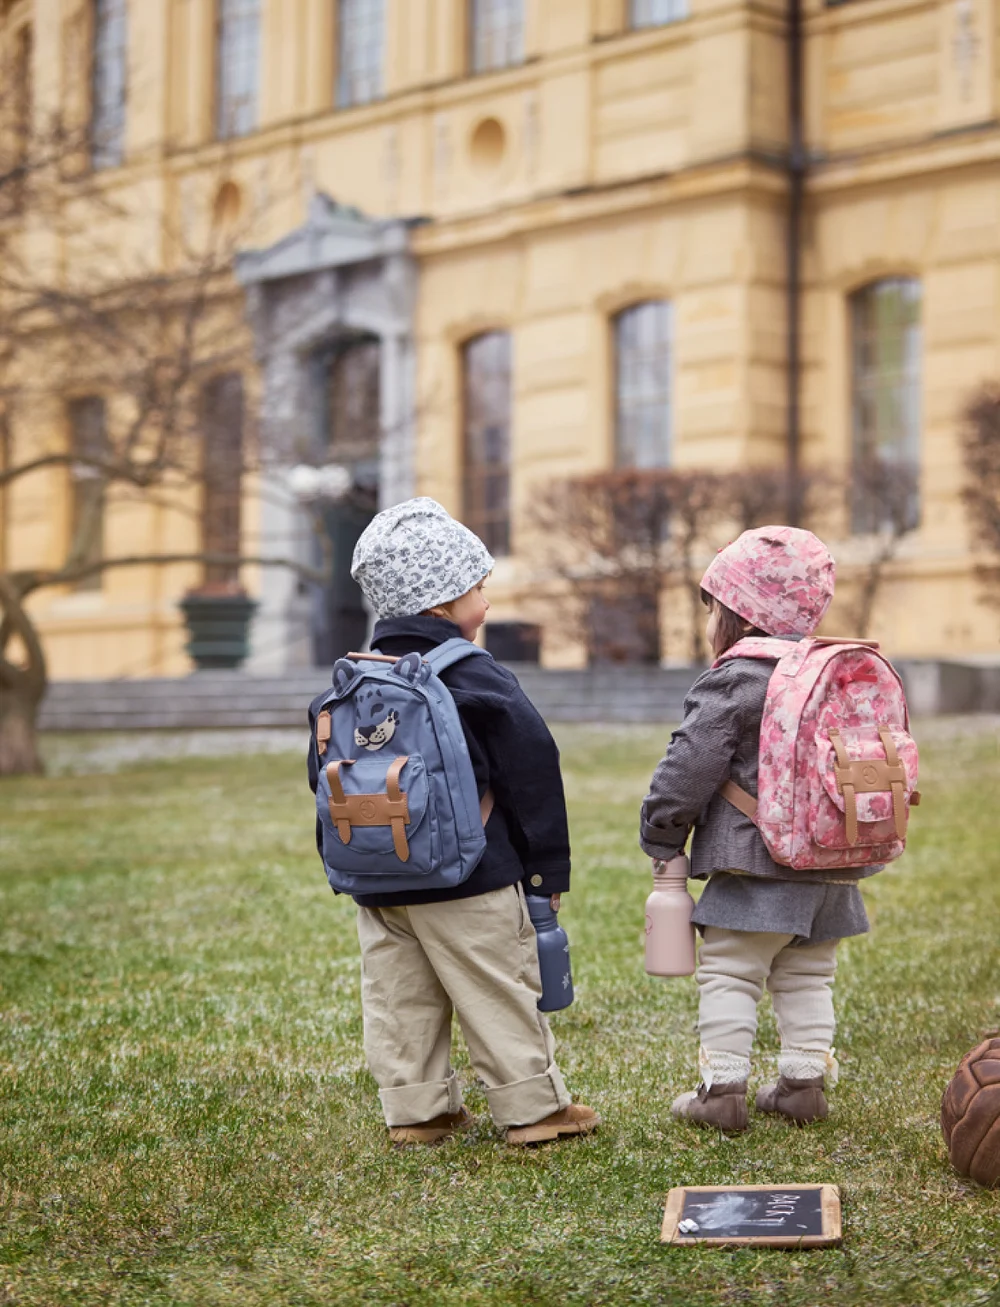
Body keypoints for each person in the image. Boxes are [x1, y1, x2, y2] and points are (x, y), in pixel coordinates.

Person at [308, 497, 599, 1147]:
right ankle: (532, 1108)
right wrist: (545, 869)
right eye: (477, 586)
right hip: (472, 876)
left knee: (398, 997)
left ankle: (417, 1111)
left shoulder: (352, 682)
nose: (486, 600)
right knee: (496, 986)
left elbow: (322, 780)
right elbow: (532, 769)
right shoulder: (473, 674)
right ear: (441, 602)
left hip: (380, 880)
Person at [640, 526, 876, 1132]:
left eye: (713, 609)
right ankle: (802, 1085)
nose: (710, 622)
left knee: (730, 972)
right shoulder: (834, 672)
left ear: (740, 615)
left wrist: (662, 830)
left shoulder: (738, 677)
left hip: (756, 863)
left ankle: (721, 1092)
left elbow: (690, 764)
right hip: (832, 864)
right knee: (808, 974)